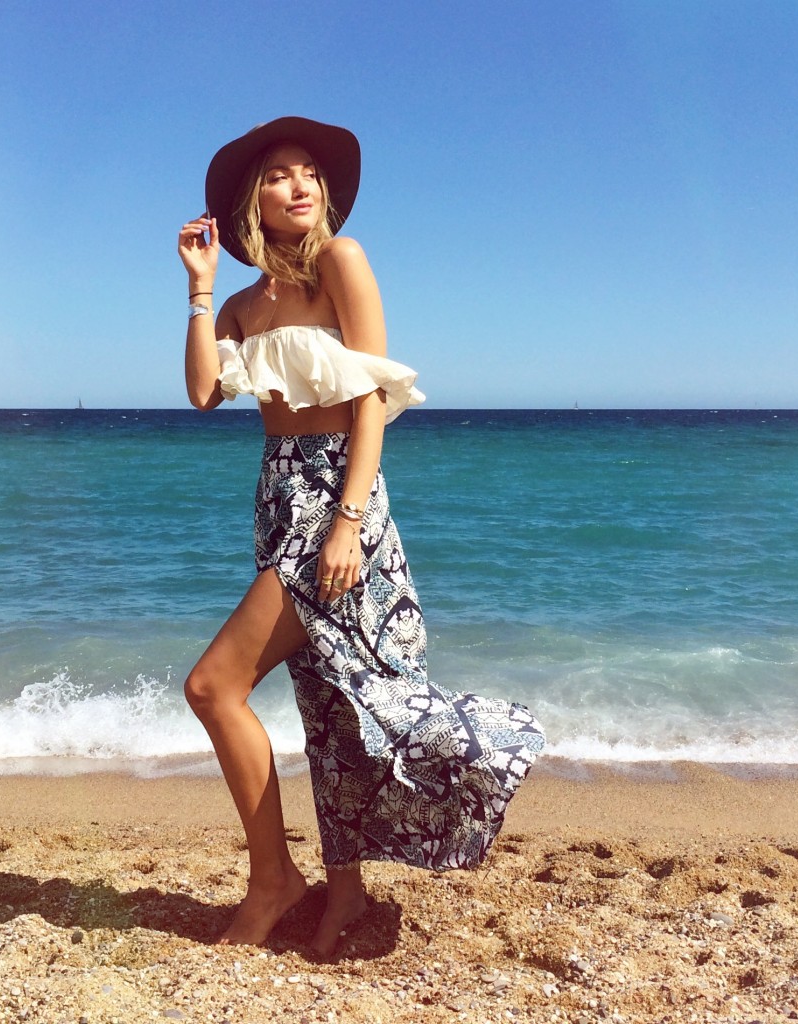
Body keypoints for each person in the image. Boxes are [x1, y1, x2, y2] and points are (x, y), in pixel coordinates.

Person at [177, 116, 545, 955]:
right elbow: (203, 392)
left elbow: (372, 401)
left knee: (212, 687)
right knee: (328, 708)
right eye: (280, 174)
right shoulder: (241, 305)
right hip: (279, 495)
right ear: (253, 200)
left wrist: (348, 522)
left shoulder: (343, 261)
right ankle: (343, 895)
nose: (300, 185)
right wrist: (199, 288)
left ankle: (273, 881)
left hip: (338, 495)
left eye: (310, 172)